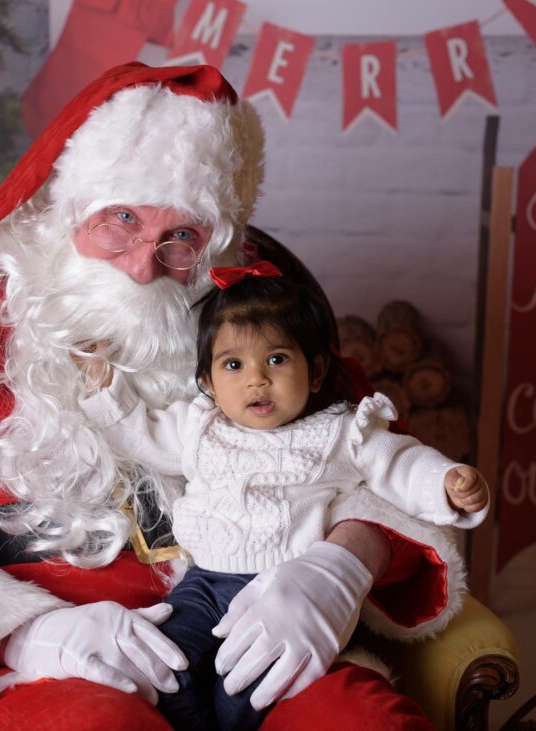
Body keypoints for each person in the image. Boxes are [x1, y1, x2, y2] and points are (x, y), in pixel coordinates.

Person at [0, 62, 474, 730]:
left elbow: (368, 453)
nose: (140, 266)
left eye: (179, 238)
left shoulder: (246, 317)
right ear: (72, 203)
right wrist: (28, 636)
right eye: (121, 219)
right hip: (73, 670)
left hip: (264, 644)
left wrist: (343, 564)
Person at [71, 263, 489, 730]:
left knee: (255, 683)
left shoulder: (340, 433)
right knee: (165, 666)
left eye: (277, 359)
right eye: (234, 364)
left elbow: (401, 464)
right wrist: (100, 383)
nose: (257, 379)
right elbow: (137, 434)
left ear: (315, 372)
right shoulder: (199, 428)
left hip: (289, 594)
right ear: (208, 382)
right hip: (204, 587)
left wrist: (447, 480)